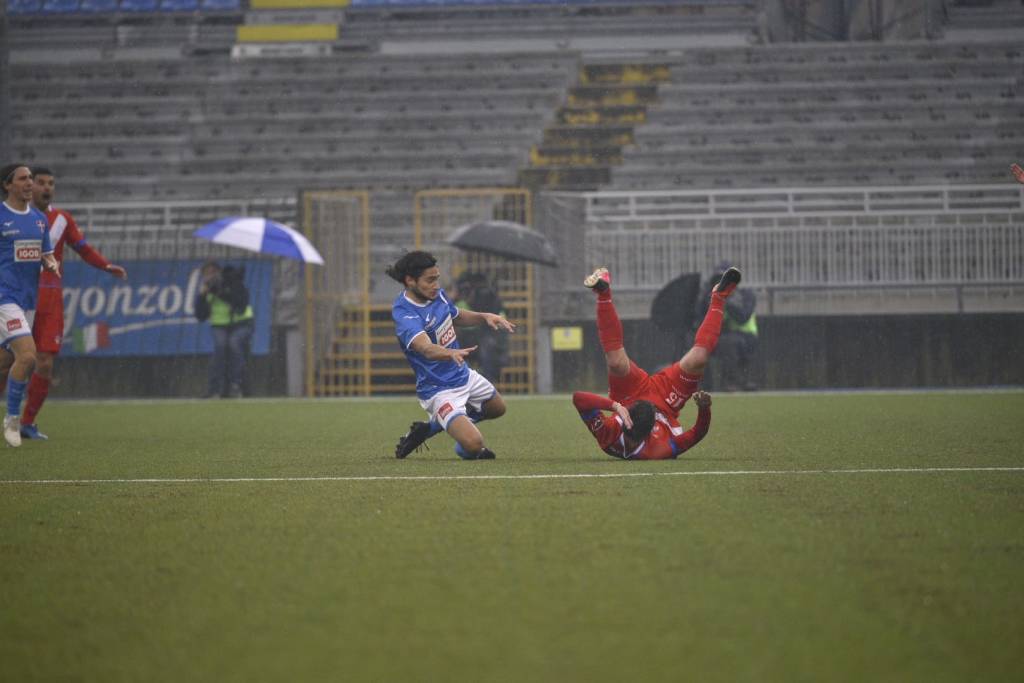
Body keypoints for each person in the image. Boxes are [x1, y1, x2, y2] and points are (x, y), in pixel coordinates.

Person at [0, 167, 127, 440]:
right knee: (8, 360)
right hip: (15, 295)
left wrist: (106, 266)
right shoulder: (9, 217)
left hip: (49, 299)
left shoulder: (59, 220)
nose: (45, 188)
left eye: (50, 184)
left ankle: (26, 422)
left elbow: (83, 248)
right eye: (40, 182)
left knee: (43, 362)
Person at [571, 265, 741, 460]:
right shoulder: (662, 450)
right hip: (666, 402)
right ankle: (719, 297)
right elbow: (697, 434)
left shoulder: (609, 436)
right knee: (699, 359)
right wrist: (704, 409)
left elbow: (579, 398)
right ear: (652, 428)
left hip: (627, 397)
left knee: (616, 363)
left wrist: (616, 407)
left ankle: (603, 293)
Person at [388, 250, 515, 460]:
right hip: (438, 389)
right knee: (474, 445)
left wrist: (484, 316)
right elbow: (425, 348)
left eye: (437, 279)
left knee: (497, 408)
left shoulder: (436, 295)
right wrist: (449, 352)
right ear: (410, 280)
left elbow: (456, 315)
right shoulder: (405, 313)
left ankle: (430, 428)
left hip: (462, 374)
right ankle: (457, 431)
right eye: (430, 280)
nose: (436, 285)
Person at [0, 163, 59, 447]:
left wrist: (51, 263)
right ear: (7, 185)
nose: (29, 183)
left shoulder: (38, 220)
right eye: (23, 179)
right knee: (28, 356)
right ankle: (13, 420)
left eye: (30, 179)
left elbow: (46, 255)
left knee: (6, 362)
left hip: (27, 301)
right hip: (4, 298)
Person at [693, 261, 758, 391]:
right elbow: (700, 320)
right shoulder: (710, 297)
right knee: (698, 343)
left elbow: (742, 317)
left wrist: (727, 300)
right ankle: (702, 385)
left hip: (746, 336)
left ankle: (732, 382)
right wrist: (708, 300)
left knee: (728, 343)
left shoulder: (746, 295)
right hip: (723, 335)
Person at [194, 260, 254, 399]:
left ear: (218, 273)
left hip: (241, 323)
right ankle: (215, 388)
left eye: (212, 273)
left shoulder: (232, 281)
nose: (209, 277)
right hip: (220, 325)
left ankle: (235, 384)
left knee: (234, 344)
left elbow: (240, 303)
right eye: (206, 274)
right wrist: (202, 297)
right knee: (220, 347)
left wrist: (221, 292)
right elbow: (201, 316)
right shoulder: (207, 290)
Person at [450, 271, 508, 383]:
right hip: (463, 338)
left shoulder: (490, 298)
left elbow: (498, 319)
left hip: (484, 337)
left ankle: (487, 383)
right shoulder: (455, 301)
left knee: (488, 349)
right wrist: (454, 297)